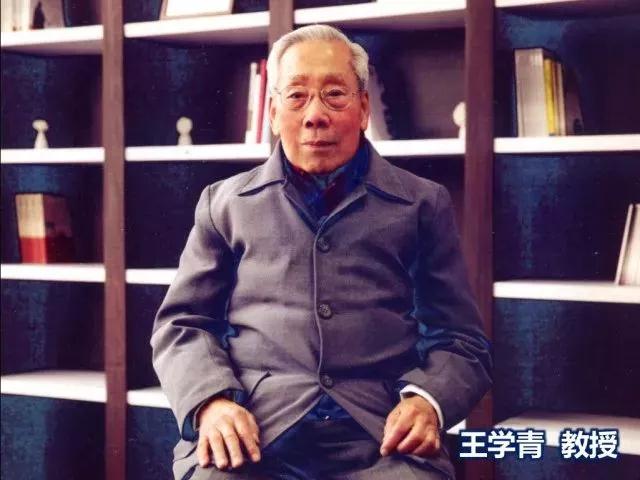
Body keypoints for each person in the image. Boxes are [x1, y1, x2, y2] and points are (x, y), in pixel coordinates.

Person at [151, 24, 491, 480]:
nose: (315, 115)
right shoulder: (224, 204)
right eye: (296, 96)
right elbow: (181, 324)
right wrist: (211, 402)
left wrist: (426, 402)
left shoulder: (422, 204)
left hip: (380, 434)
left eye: (334, 95)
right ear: (273, 112)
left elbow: (461, 339)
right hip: (255, 429)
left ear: (364, 108)